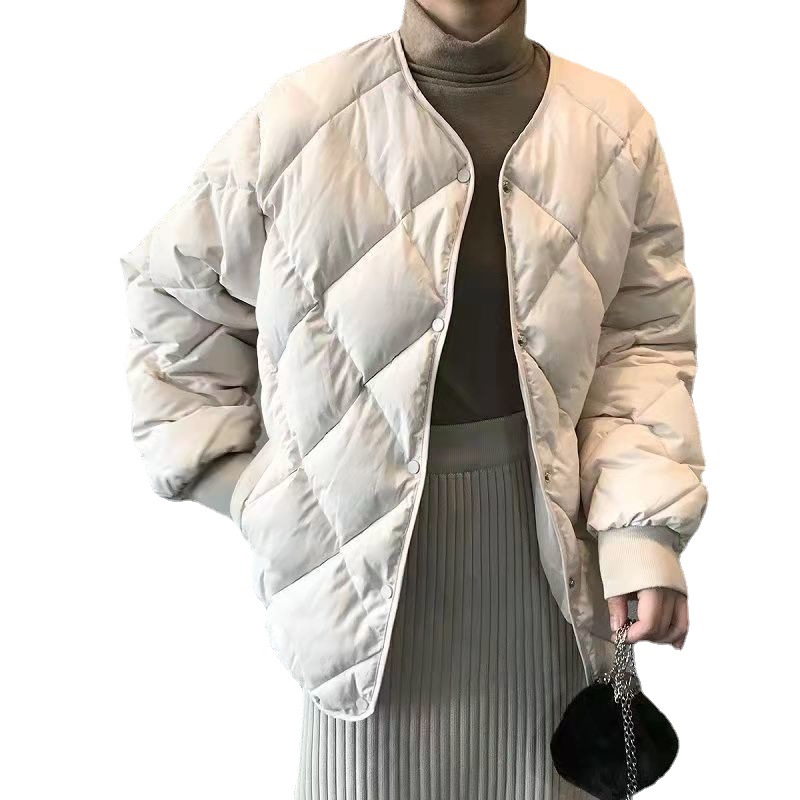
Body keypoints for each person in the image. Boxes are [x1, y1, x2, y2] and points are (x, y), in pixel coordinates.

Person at [119, 1, 708, 797]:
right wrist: (255, 492)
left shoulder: (611, 126)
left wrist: (641, 532)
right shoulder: (302, 119)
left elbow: (640, 346)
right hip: (357, 586)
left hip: (548, 563)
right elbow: (172, 300)